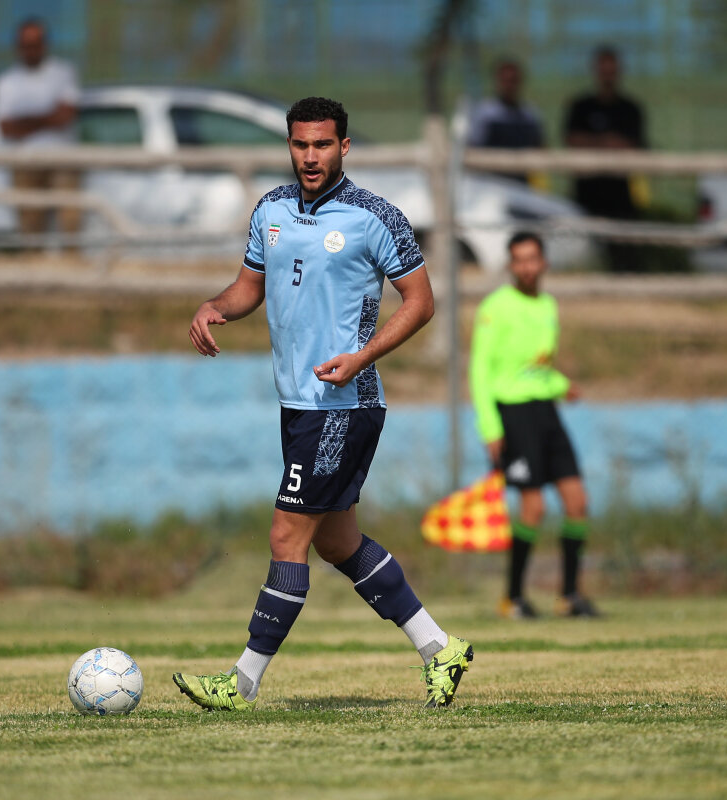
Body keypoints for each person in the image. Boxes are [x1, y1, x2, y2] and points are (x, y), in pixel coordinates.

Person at [174, 97, 473, 711]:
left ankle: (241, 682)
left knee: (287, 535)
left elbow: (421, 302)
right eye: (300, 144)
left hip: (343, 403)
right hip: (297, 404)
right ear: (289, 145)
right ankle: (440, 648)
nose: (310, 156)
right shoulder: (271, 209)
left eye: (322, 145)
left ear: (344, 147)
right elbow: (249, 287)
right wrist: (214, 306)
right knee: (337, 542)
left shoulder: (375, 216)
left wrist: (362, 357)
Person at [468, 232, 599, 619]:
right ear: (511, 265)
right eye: (519, 260)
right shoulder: (496, 307)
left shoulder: (548, 305)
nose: (526, 266)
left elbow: (538, 368)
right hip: (513, 413)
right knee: (533, 507)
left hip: (546, 411)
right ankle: (513, 598)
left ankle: (569, 596)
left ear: (544, 263)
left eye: (532, 259)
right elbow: (480, 370)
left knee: (577, 502)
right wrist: (490, 426)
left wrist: (561, 385)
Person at [0, 17, 81, 242]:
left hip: (62, 159)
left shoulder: (63, 72)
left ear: (45, 44)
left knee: (70, 223)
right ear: (18, 46)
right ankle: (33, 263)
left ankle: (72, 263)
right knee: (30, 229)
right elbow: (6, 128)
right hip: (24, 162)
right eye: (26, 44)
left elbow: (65, 117)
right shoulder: (6, 82)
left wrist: (24, 122)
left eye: (36, 43)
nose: (31, 50)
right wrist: (48, 117)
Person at [562, 45, 647, 272]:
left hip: (619, 196)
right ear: (596, 71)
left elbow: (635, 147)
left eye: (612, 70)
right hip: (586, 194)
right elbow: (572, 140)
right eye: (603, 69)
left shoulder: (630, 109)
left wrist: (598, 143)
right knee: (582, 257)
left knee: (624, 260)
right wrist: (607, 142)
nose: (608, 75)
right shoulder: (581, 106)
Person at [467, 58, 546, 181]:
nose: (509, 86)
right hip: (489, 182)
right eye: (505, 81)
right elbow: (472, 148)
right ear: (497, 81)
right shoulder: (484, 113)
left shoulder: (530, 114)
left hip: (522, 183)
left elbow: (540, 148)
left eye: (513, 81)